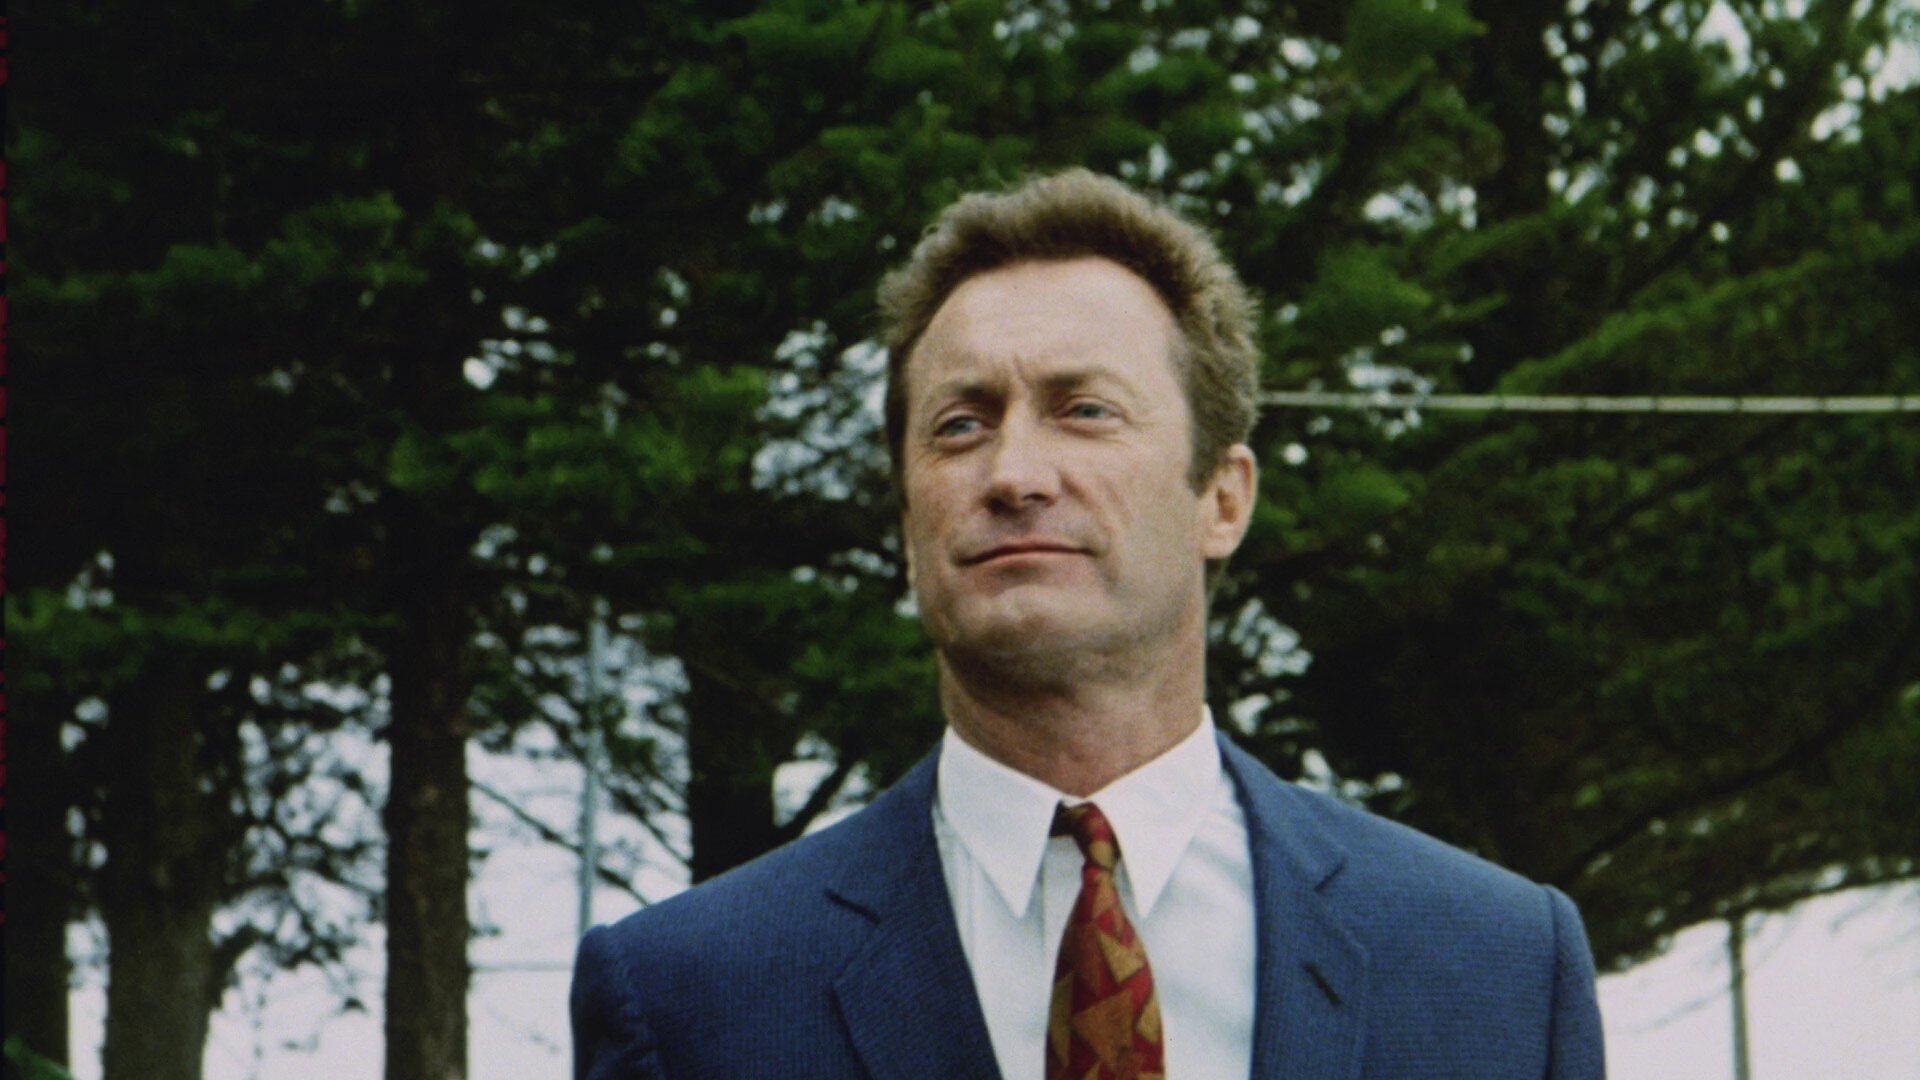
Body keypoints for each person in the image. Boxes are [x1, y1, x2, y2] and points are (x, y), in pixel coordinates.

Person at [571, 169, 1606, 1080]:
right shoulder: (689, 997)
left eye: (1085, 410)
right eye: (960, 425)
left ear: (1223, 498)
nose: (1014, 473)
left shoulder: (1499, 968)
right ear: (907, 519)